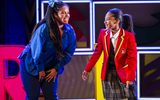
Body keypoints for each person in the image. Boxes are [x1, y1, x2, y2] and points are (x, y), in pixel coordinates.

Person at [18, 0, 76, 99]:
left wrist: (56, 68)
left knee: (51, 96)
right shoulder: (44, 29)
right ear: (54, 14)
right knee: (32, 96)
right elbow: (37, 52)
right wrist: (40, 69)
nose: (67, 15)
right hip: (32, 64)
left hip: (51, 67)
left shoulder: (69, 31)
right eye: (63, 13)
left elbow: (69, 53)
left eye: (68, 13)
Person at [82, 8, 137, 100]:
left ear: (117, 21)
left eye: (108, 19)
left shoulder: (128, 37)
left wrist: (130, 78)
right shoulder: (103, 34)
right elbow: (97, 53)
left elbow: (132, 59)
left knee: (128, 97)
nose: (105, 22)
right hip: (108, 74)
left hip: (123, 74)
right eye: (105, 19)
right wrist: (87, 69)